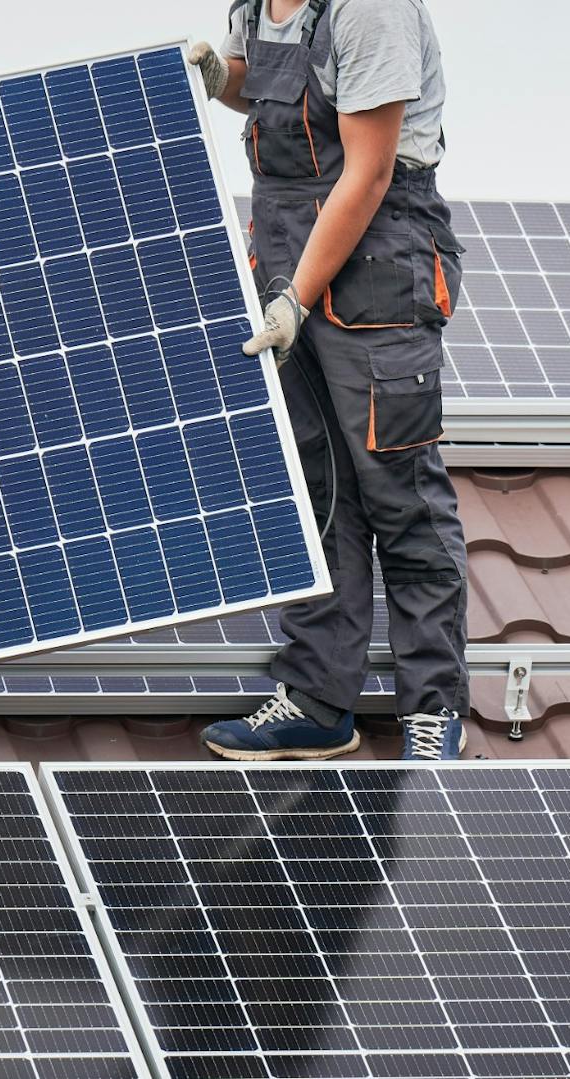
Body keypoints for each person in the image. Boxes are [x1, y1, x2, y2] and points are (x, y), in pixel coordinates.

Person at [188, 0, 470, 761]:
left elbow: (371, 169)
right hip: (287, 250)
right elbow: (269, 88)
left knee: (398, 491)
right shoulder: (258, 2)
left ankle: (434, 708)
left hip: (376, 257)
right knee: (315, 490)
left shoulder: (368, 8)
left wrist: (297, 297)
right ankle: (317, 696)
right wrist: (222, 76)